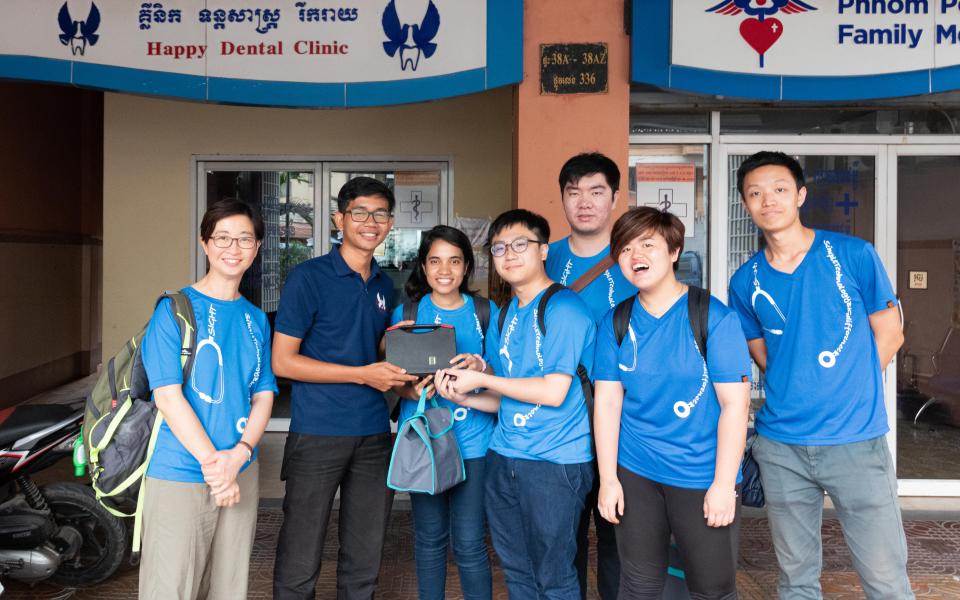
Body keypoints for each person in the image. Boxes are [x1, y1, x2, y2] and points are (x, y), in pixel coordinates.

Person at [727, 151, 913, 600]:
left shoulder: (852, 255)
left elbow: (890, 335)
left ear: (800, 195)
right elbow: (765, 358)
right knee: (795, 579)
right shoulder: (745, 281)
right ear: (746, 204)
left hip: (855, 441)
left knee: (886, 578)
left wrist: (846, 388)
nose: (767, 200)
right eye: (755, 193)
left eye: (778, 189)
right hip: (782, 447)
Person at [434, 209, 596, 600]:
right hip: (504, 456)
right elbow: (504, 396)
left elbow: (554, 391)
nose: (509, 255)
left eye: (520, 245)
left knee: (554, 576)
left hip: (555, 463)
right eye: (500, 248)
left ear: (544, 251)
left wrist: (483, 379)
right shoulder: (507, 312)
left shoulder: (564, 309)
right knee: (517, 571)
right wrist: (466, 393)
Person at [271, 177, 418, 600]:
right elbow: (284, 362)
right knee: (300, 557)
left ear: (390, 223)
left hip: (374, 434)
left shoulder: (383, 285)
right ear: (340, 219)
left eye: (380, 214)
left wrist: (396, 343)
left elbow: (367, 350)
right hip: (318, 432)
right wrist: (362, 374)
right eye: (359, 212)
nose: (370, 222)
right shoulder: (308, 277)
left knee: (365, 559)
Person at [593, 206, 751, 599]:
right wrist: (609, 479)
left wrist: (722, 485)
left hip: (699, 474)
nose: (636, 257)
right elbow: (608, 404)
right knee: (639, 586)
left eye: (648, 245)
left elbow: (735, 406)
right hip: (637, 472)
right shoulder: (616, 322)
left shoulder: (713, 317)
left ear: (675, 250)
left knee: (711, 588)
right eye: (626, 249)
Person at [139, 199, 277, 600]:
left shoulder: (255, 318)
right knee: (172, 589)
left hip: (241, 469)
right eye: (222, 238)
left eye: (244, 239)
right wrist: (216, 467)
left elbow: (264, 394)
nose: (233, 248)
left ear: (257, 247)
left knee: (229, 587)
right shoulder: (174, 310)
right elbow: (167, 396)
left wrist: (239, 455)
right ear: (204, 243)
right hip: (181, 470)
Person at [389, 225, 498, 600]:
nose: (444, 270)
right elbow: (391, 380)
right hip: (424, 441)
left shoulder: (485, 311)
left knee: (469, 543)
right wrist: (409, 387)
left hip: (474, 443)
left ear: (467, 266)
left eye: (454, 260)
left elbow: (503, 375)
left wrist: (480, 367)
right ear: (423, 265)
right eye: (435, 260)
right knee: (430, 540)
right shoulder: (408, 312)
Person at [545, 152, 635, 598]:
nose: (585, 202)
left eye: (597, 191)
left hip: (626, 424)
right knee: (565, 543)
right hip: (561, 426)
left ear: (616, 197)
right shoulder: (544, 257)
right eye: (574, 192)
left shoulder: (637, 257)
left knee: (621, 542)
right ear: (562, 198)